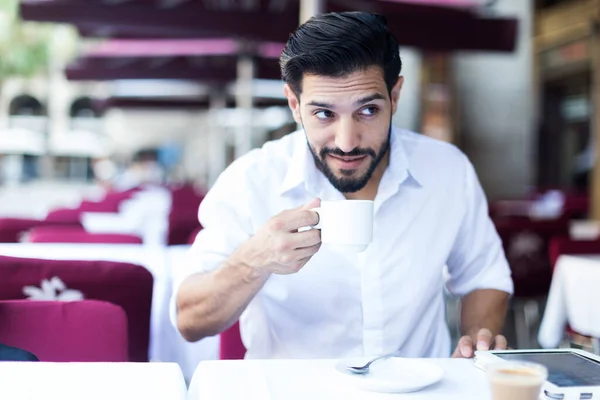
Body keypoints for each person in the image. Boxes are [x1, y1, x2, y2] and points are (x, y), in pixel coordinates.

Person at [172, 11, 513, 359]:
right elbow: (190, 321)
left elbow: (484, 277)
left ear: (394, 96)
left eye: (367, 111)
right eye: (324, 114)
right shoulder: (250, 181)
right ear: (294, 104)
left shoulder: (447, 170)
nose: (347, 142)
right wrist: (253, 261)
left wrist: (476, 337)